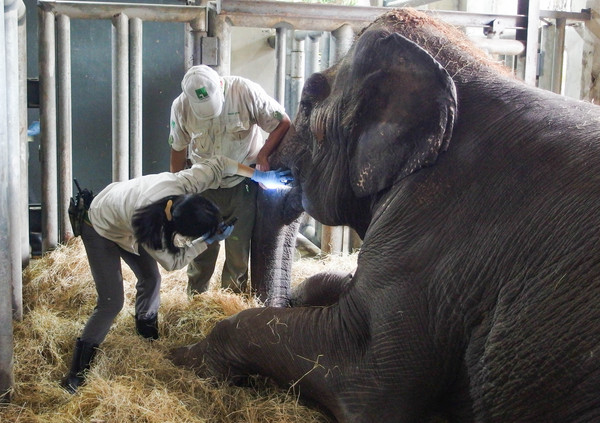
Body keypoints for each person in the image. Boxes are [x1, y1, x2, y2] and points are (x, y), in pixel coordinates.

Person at [61, 155, 291, 394]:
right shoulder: (149, 225)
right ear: (181, 231)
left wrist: (259, 174)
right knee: (111, 302)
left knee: (151, 279)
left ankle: (147, 339)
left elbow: (221, 163)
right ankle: (75, 375)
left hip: (123, 210)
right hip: (99, 225)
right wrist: (208, 240)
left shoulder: (185, 183)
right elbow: (174, 262)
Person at [168, 64, 291, 296]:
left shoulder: (244, 91)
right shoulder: (180, 106)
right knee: (201, 249)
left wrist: (264, 155)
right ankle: (196, 300)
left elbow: (282, 121)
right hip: (203, 186)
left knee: (238, 252)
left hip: (241, 185)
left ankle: (231, 304)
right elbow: (177, 148)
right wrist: (180, 194)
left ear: (220, 87)